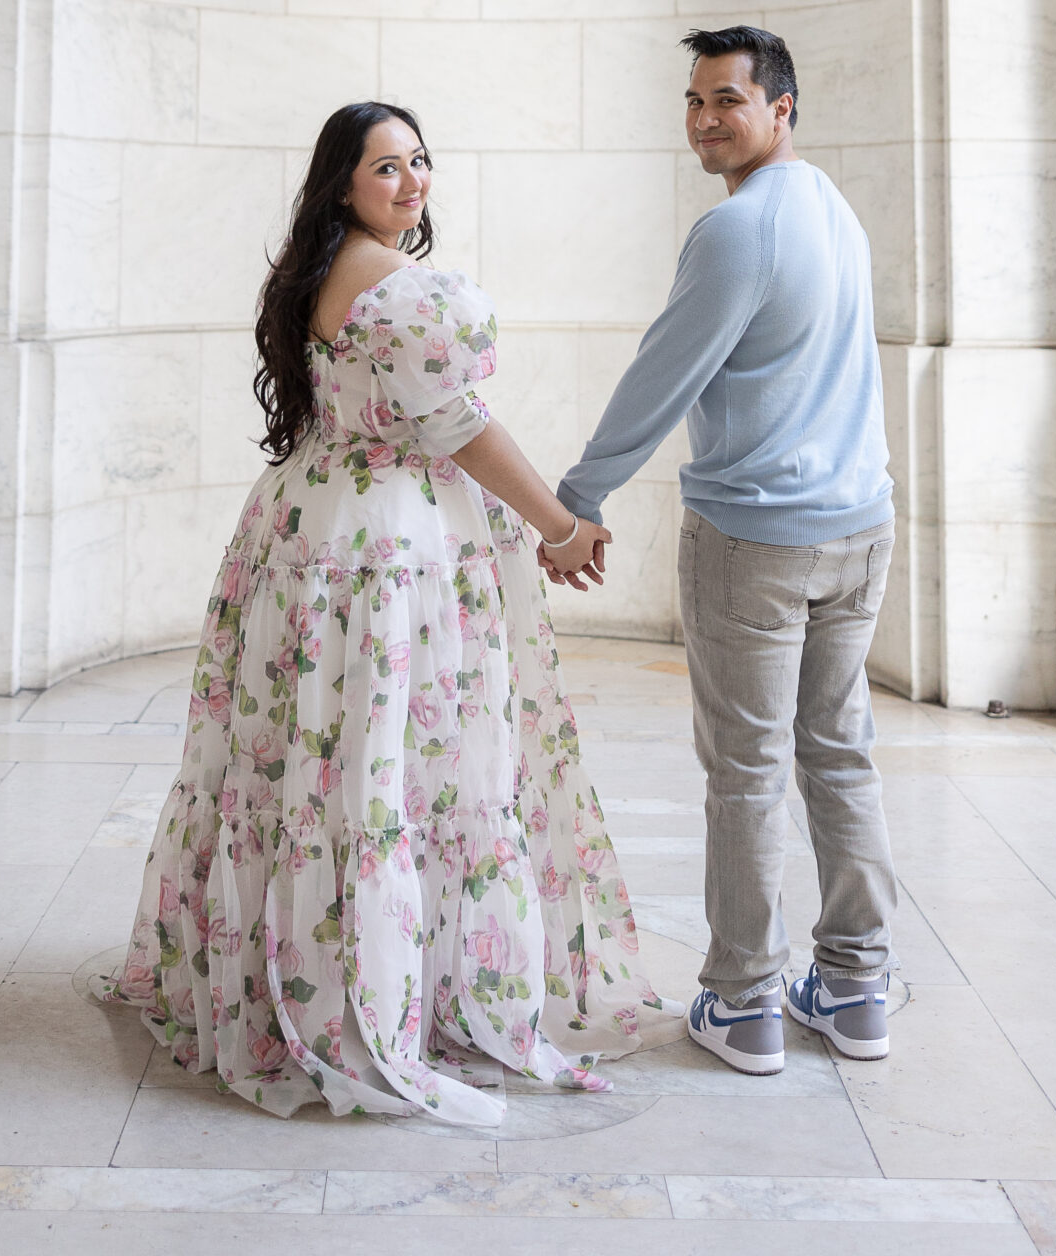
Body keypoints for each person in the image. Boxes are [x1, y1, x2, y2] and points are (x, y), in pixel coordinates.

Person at [96, 100, 675, 1123]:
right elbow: (456, 422)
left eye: (419, 163)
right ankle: (375, 1001)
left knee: (327, 763)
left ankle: (335, 975)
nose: (412, 183)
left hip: (315, 527)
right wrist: (557, 523)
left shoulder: (324, 272)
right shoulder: (393, 282)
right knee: (386, 768)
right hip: (381, 549)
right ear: (343, 185)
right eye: (386, 168)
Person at [546, 25, 899, 1075]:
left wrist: (577, 499)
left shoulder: (739, 230)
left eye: (728, 101)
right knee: (838, 753)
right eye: (694, 101)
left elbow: (665, 373)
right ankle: (857, 986)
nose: (705, 120)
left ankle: (744, 1003)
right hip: (859, 525)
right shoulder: (833, 208)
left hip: (757, 538)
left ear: (782, 108)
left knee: (746, 768)